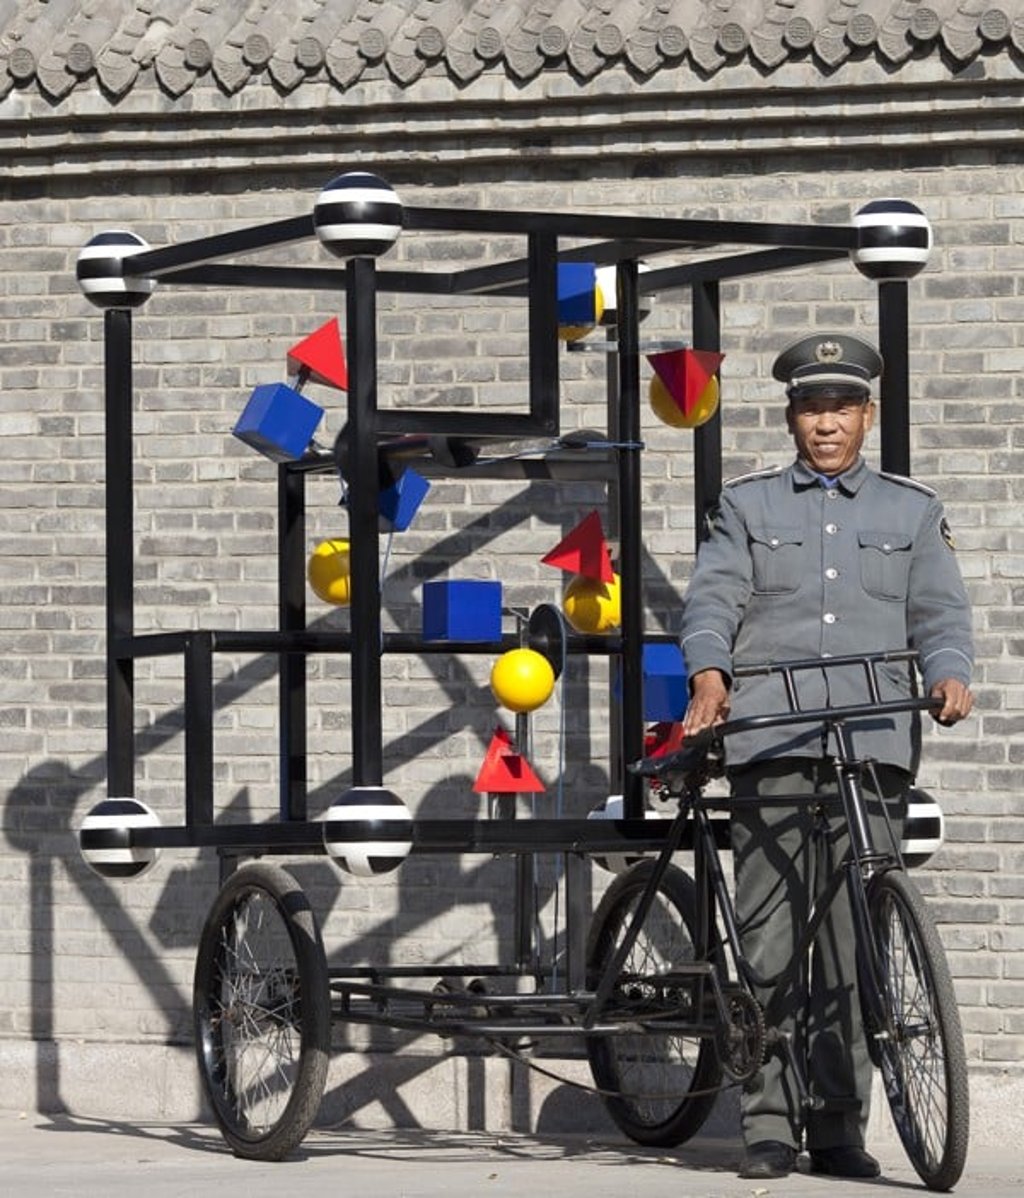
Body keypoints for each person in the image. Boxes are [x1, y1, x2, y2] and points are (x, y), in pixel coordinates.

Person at [678, 332, 974, 1181]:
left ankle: (840, 1124)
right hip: (772, 738)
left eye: (842, 407)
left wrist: (951, 675)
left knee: (852, 945)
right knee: (770, 940)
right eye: (812, 408)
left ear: (867, 416)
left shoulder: (910, 511)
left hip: (871, 744)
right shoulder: (747, 506)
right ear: (790, 418)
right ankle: (768, 1122)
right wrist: (709, 673)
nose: (827, 423)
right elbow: (716, 596)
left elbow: (940, 614)